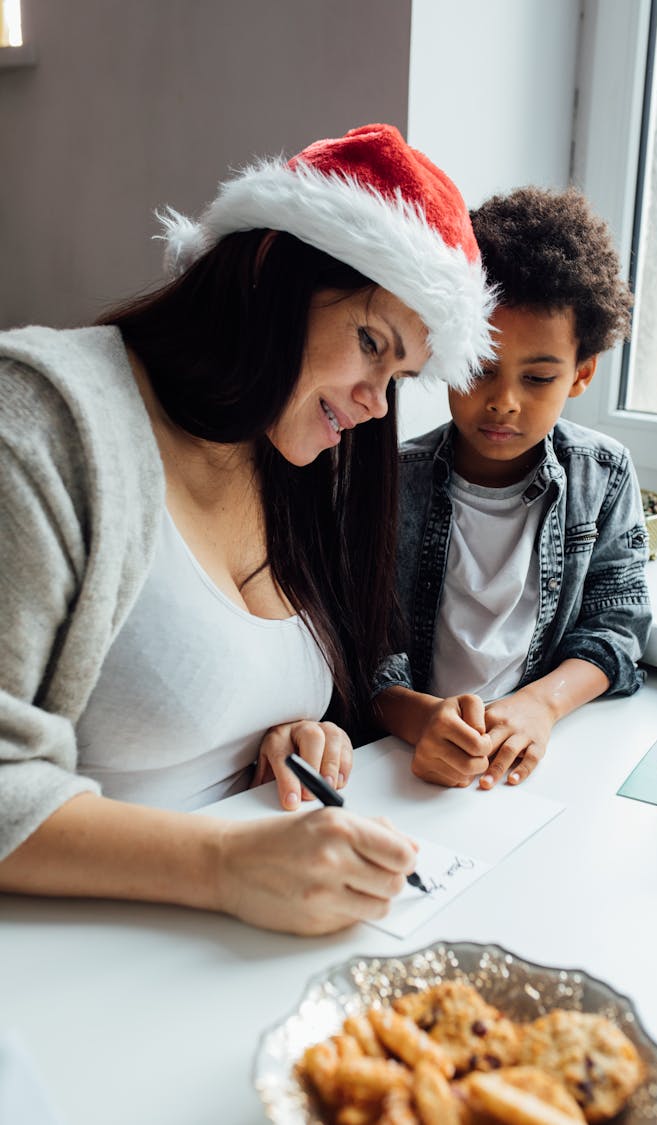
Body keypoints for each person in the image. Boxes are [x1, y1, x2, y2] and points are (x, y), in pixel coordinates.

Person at [0, 124, 495, 935]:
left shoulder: (283, 459)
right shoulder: (40, 425)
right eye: (372, 343)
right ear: (270, 267)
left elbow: (202, 684)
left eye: (398, 376)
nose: (376, 402)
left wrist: (292, 734)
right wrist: (226, 866)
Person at [373, 186, 652, 791]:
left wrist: (541, 706)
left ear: (581, 373)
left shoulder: (601, 477)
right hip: (400, 764)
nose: (503, 400)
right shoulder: (393, 481)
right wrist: (421, 719)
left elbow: (617, 627)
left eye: (539, 377)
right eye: (481, 367)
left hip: (535, 768)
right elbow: (352, 647)